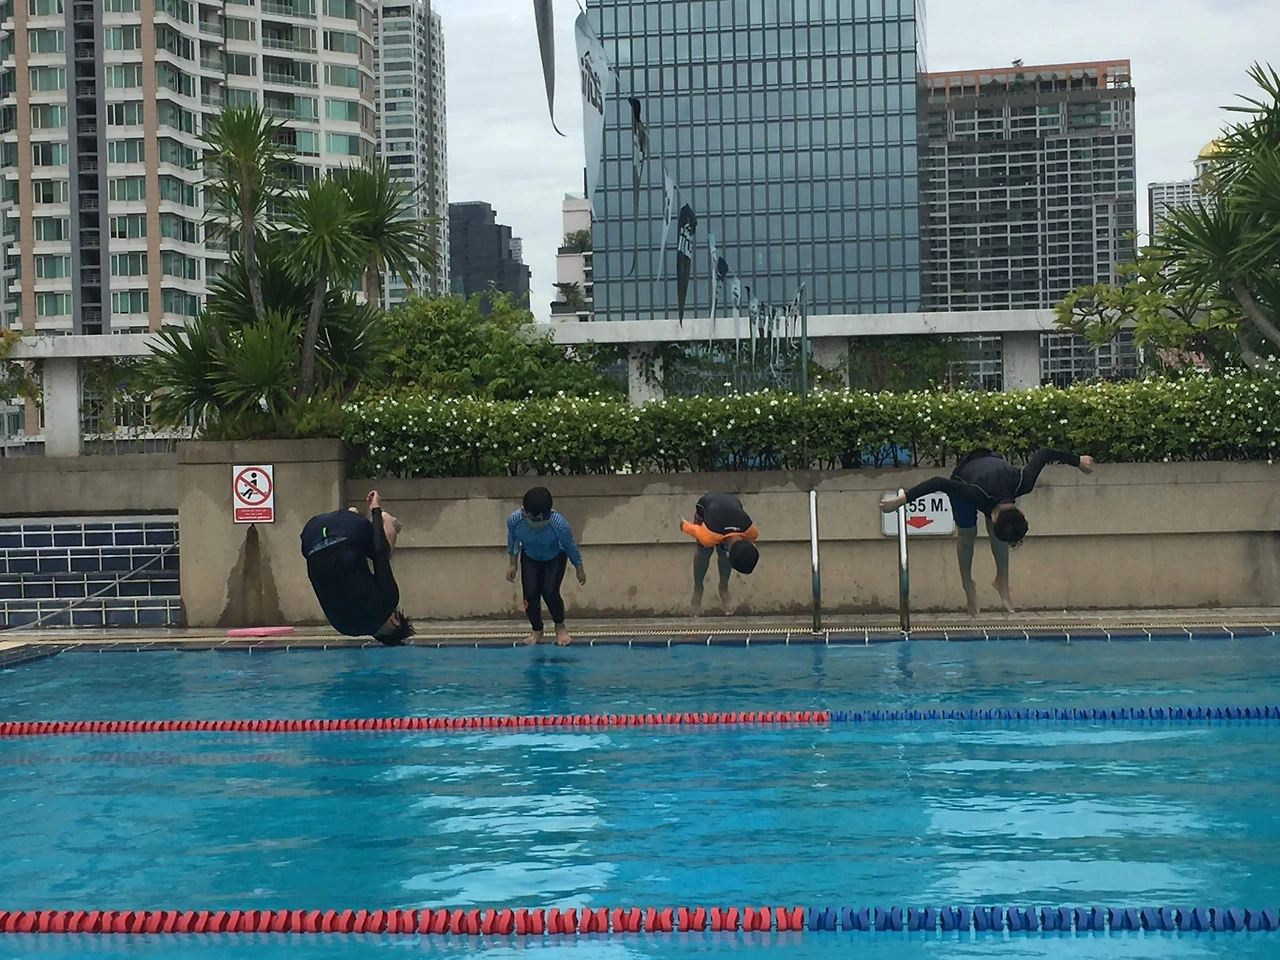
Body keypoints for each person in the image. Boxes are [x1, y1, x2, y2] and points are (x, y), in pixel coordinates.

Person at [879, 448, 1094, 615]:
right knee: (967, 535)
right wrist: (901, 501)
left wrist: (1079, 461)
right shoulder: (974, 493)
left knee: (1003, 532)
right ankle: (967, 583)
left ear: (1021, 512)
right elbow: (938, 483)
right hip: (965, 476)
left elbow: (1044, 453)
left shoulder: (1023, 483)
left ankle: (1002, 582)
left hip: (994, 465)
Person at [300, 490, 414, 645]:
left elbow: (379, 551)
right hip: (311, 535)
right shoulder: (344, 628)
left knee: (385, 554)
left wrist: (376, 509)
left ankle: (387, 520)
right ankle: (351, 514)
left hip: (346, 529)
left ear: (394, 621)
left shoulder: (388, 603)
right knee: (349, 562)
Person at [506, 486, 586, 646]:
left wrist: (579, 568)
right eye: (536, 519)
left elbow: (570, 546)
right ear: (524, 511)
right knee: (530, 595)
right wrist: (512, 564)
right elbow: (512, 541)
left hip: (555, 557)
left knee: (550, 592)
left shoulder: (559, 524)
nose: (540, 523)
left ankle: (560, 626)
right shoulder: (515, 520)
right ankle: (537, 629)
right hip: (530, 556)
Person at [679, 492, 759, 613]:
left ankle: (723, 587)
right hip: (707, 506)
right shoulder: (708, 536)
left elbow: (748, 545)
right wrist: (683, 525)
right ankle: (698, 587)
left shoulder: (751, 532)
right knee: (704, 551)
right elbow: (689, 528)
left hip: (731, 506)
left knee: (723, 550)